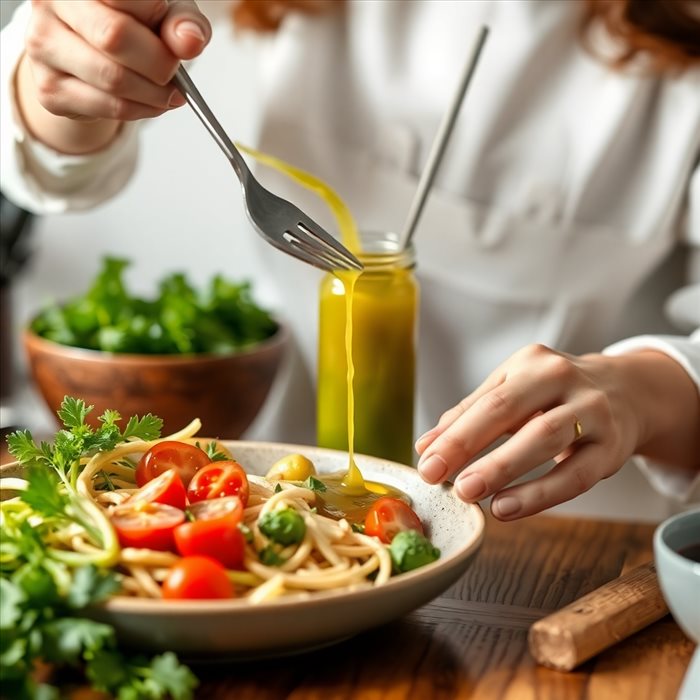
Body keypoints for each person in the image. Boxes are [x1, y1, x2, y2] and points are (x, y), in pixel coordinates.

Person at [1, 0, 698, 522]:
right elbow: (55, 112)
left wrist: (641, 393)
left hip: (569, 533)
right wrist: (61, 84)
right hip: (284, 506)